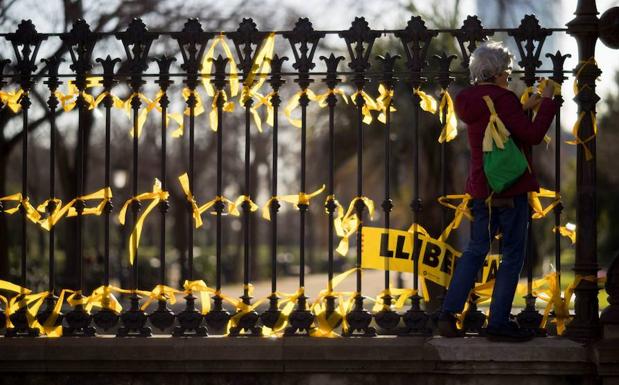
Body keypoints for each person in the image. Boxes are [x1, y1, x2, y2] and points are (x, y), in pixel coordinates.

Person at [437, 41, 557, 341]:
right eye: (508, 71)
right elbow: (531, 134)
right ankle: (498, 323)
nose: (509, 76)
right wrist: (549, 101)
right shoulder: (504, 99)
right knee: (513, 256)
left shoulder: (467, 100)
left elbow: (500, 121)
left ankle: (448, 314)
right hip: (511, 188)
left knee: (476, 250)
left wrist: (525, 107)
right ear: (499, 71)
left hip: (481, 190)